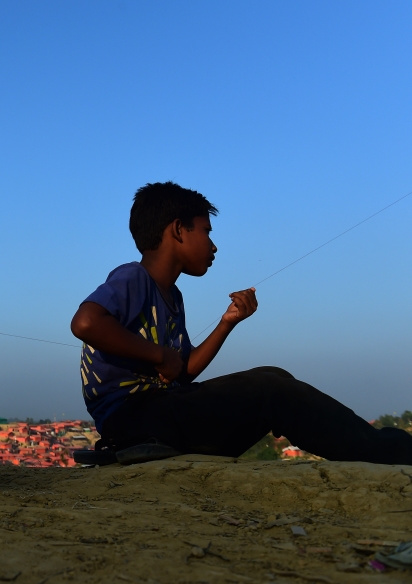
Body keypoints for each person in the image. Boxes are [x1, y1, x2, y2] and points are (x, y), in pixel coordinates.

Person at [70, 181, 412, 464]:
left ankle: (380, 446)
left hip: (163, 413)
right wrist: (159, 356)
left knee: (273, 376)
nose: (214, 245)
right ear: (178, 230)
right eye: (206, 231)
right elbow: (86, 323)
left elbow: (183, 371)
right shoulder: (134, 277)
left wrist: (227, 323)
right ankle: (389, 452)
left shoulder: (172, 296)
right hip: (133, 418)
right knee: (271, 391)